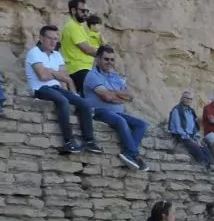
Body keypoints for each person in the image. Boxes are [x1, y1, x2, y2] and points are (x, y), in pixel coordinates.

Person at [26, 24, 98, 155]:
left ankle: (89, 141)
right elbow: (42, 76)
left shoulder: (57, 55)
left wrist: (51, 71)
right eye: (50, 38)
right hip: (40, 88)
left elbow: (64, 77)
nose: (53, 41)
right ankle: (69, 141)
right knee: (63, 101)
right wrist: (55, 74)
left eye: (55, 38)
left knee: (85, 104)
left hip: (57, 88)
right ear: (41, 38)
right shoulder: (34, 53)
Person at [83, 45, 150, 171]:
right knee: (121, 121)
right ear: (98, 59)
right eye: (106, 59)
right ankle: (134, 155)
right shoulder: (92, 75)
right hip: (99, 111)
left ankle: (128, 153)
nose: (109, 62)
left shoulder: (115, 76)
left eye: (112, 60)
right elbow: (106, 97)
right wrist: (118, 95)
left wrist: (112, 93)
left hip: (118, 112)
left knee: (142, 124)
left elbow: (130, 96)